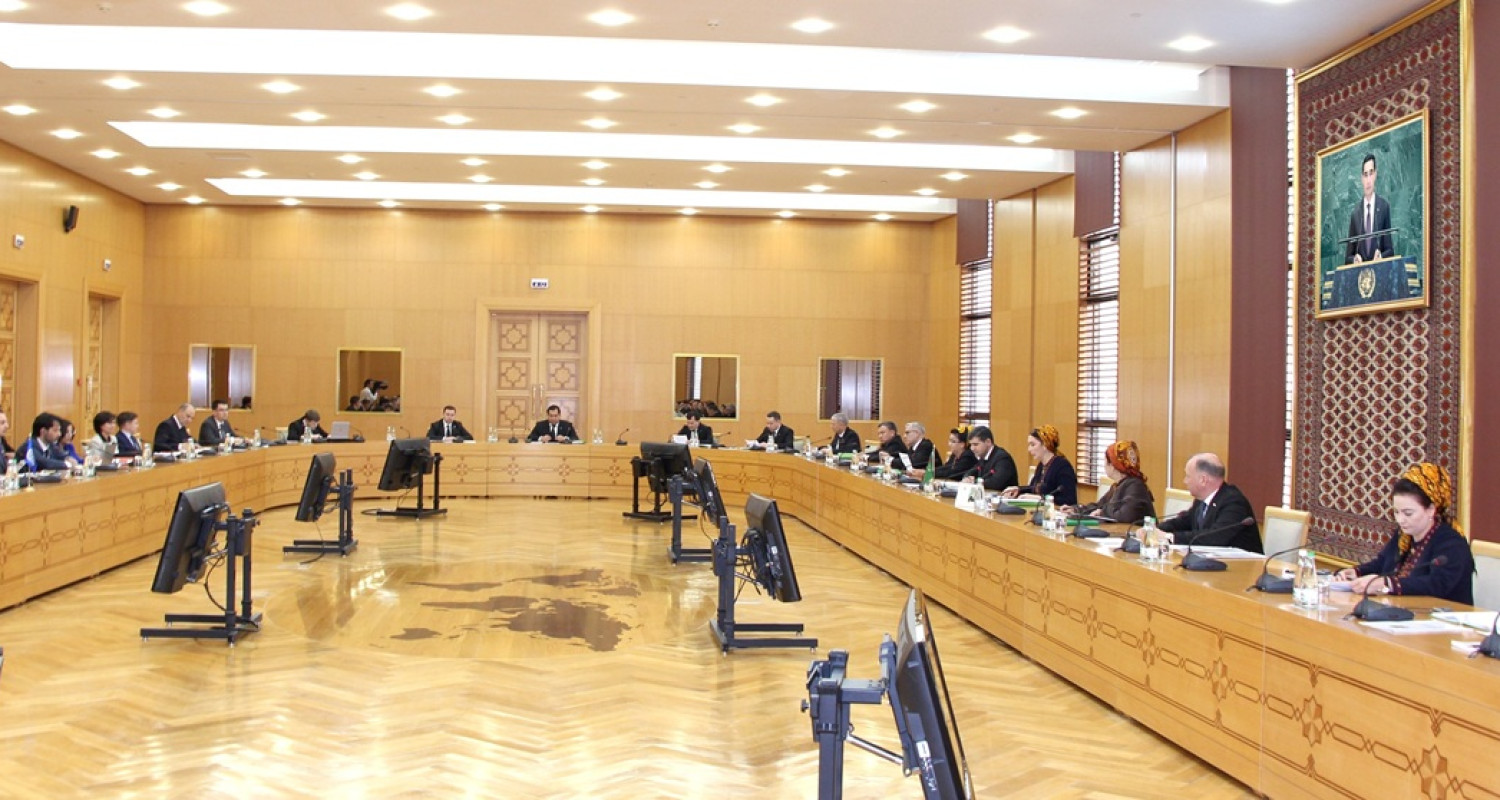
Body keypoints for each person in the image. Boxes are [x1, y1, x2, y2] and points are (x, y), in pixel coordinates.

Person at [1335, 463, 1474, 605]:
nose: (1400, 520)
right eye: (1396, 512)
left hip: (1443, 614)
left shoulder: (1452, 544)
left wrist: (1387, 583)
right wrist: (1356, 572)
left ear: (1431, 510)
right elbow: (1382, 563)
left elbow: (1436, 584)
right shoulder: (1404, 536)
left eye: (1408, 513)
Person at [1157, 453, 1261, 553]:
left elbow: (1215, 537)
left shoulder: (1234, 502)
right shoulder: (1201, 500)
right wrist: (1156, 530)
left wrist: (1171, 537)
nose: (1185, 481)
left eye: (1188, 476)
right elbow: (1184, 522)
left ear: (1203, 480)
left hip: (1243, 563)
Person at [1065, 440, 1156, 524]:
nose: (1104, 465)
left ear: (1113, 465)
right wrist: (1075, 510)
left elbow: (1124, 517)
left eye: (1105, 461)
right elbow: (1099, 505)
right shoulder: (1118, 485)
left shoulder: (1136, 487)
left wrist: (1102, 512)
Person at [1002, 425, 1077, 506]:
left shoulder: (1063, 467)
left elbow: (1069, 500)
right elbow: (1034, 488)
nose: (1029, 449)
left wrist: (1041, 499)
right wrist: (1019, 490)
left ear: (1045, 445)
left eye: (1033, 445)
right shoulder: (1041, 465)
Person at [1346, 152, 1394, 264]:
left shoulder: (1383, 207)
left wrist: (1381, 256)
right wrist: (1354, 259)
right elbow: (1348, 257)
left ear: (1375, 174)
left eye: (1371, 173)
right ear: (1361, 178)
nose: (1368, 180)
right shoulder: (1355, 213)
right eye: (1365, 174)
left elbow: (1390, 250)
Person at [961, 426, 1018, 491]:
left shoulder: (1003, 458)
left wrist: (975, 481)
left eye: (976, 444)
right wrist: (967, 478)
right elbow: (972, 471)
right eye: (971, 445)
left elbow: (996, 483)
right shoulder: (982, 457)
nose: (972, 448)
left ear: (988, 442)